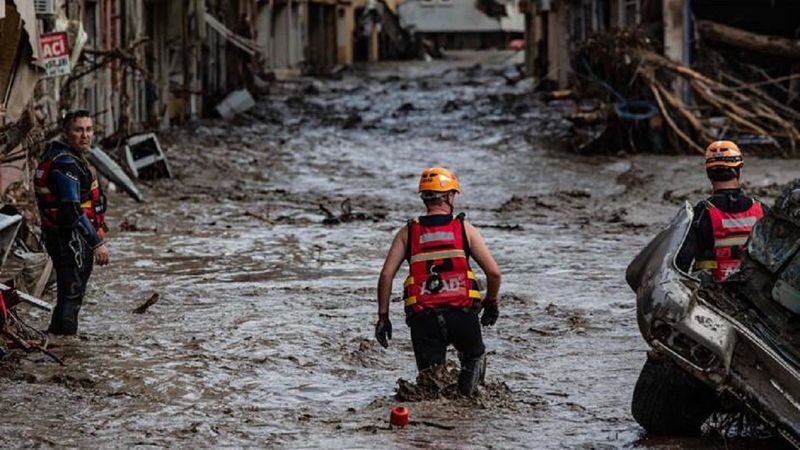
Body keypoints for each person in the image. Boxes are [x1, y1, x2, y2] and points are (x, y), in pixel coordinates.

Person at [375, 167, 502, 395]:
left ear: (424, 197)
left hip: (425, 319)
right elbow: (494, 273)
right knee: (474, 359)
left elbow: (386, 276)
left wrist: (383, 317)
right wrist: (491, 302)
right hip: (462, 316)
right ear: (450, 196)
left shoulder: (408, 232)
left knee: (430, 386)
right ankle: (468, 405)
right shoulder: (465, 228)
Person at [34, 110, 110, 335]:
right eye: (78, 130)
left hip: (67, 237)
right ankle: (67, 351)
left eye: (89, 130)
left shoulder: (63, 156)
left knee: (68, 294)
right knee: (72, 295)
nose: (85, 135)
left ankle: (56, 339)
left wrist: (99, 232)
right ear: (66, 133)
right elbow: (72, 210)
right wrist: (97, 242)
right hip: (70, 239)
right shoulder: (66, 163)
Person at [676, 141, 765, 282]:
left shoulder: (702, 211)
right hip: (753, 291)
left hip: (711, 291)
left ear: (708, 173)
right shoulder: (761, 210)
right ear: (739, 170)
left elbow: (682, 261)